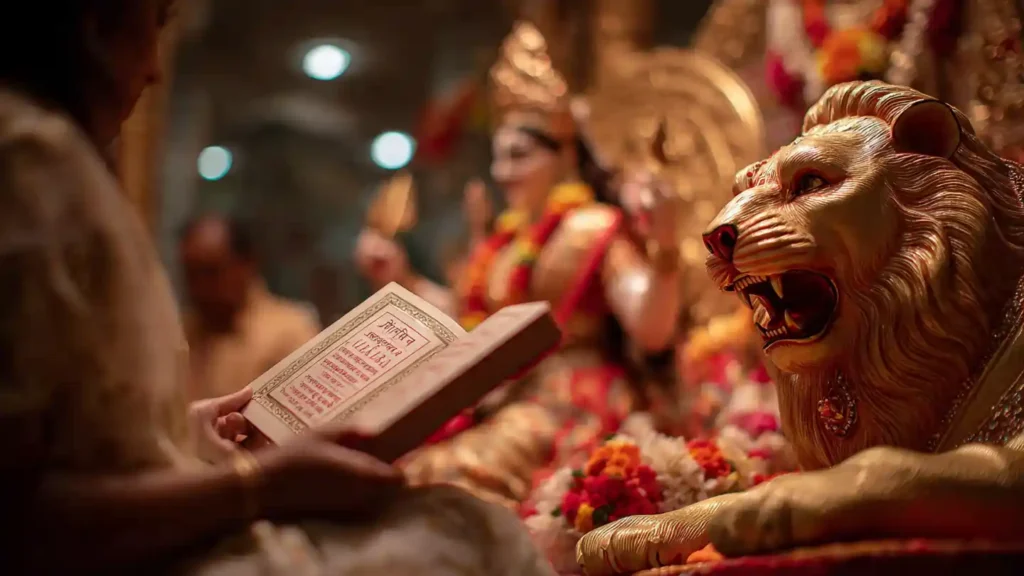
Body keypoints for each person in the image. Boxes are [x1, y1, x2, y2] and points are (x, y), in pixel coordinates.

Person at [0, 2, 553, 574]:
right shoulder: (27, 163)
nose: (156, 71)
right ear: (94, 25)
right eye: (155, 24)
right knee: (473, 529)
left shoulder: (51, 157)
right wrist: (258, 486)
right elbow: (22, 512)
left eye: (523, 153)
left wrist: (185, 431)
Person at [355, 22, 684, 506]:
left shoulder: (593, 227)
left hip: (572, 398)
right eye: (497, 157)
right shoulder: (505, 240)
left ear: (565, 156)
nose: (500, 172)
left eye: (518, 156)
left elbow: (651, 330)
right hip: (503, 393)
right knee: (408, 467)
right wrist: (403, 279)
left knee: (455, 479)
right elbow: (478, 323)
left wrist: (666, 248)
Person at [180, 214, 321, 401]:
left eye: (210, 272)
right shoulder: (180, 332)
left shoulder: (290, 333)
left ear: (246, 265)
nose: (200, 287)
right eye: (191, 274)